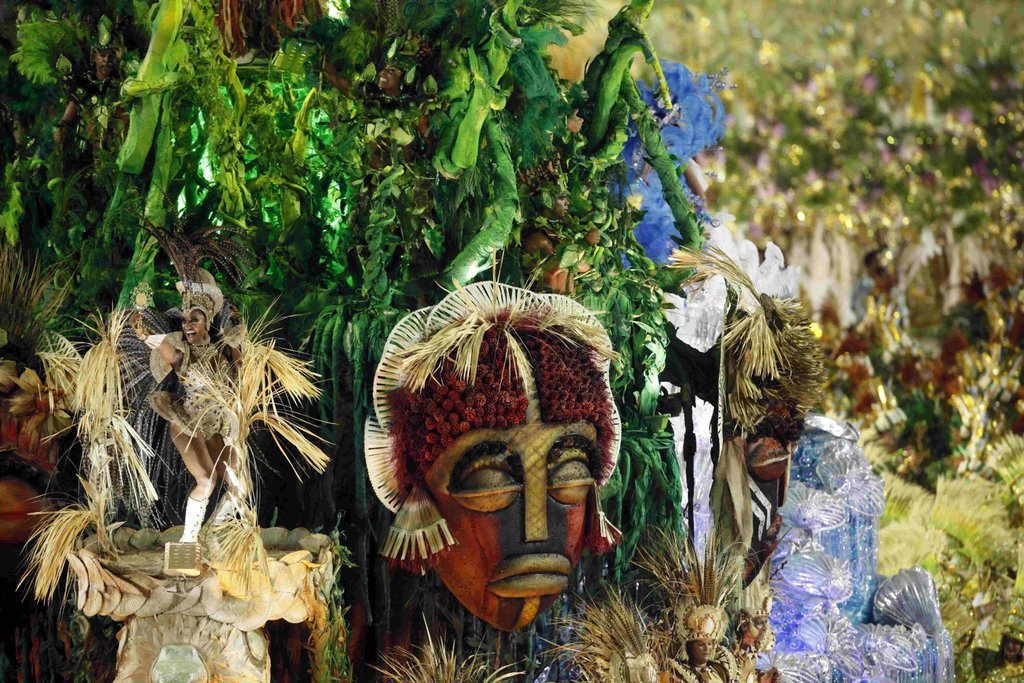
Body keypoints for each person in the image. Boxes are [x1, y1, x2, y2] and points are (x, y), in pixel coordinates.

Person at [131, 270, 244, 544]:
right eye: (184, 321)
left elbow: (244, 374)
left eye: (194, 319)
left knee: (240, 485)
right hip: (187, 422)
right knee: (206, 480)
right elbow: (159, 344)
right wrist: (142, 330)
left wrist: (238, 327)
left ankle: (212, 533)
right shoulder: (183, 356)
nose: (188, 325)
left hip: (215, 427)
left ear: (208, 322)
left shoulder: (227, 353)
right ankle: (188, 542)